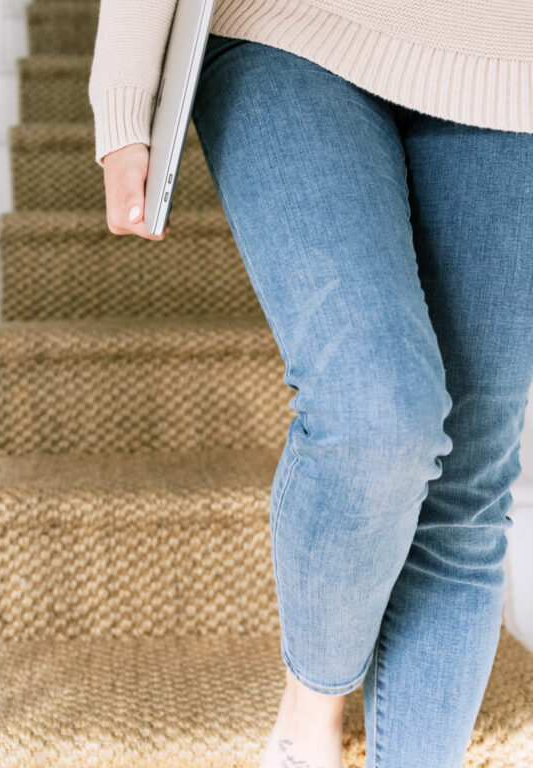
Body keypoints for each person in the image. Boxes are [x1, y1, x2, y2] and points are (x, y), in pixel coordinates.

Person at [88, 2, 533, 766]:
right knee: (375, 411)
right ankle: (312, 709)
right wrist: (125, 93)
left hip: (510, 63)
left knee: (467, 487)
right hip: (287, 27)